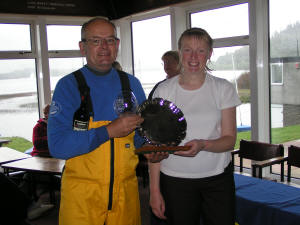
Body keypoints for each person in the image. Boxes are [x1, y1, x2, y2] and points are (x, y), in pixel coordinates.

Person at [47, 17, 146, 225]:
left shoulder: (132, 84)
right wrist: (108, 131)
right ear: (82, 47)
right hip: (82, 199)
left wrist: (151, 150)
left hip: (125, 197)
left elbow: (139, 138)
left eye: (110, 40)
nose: (104, 47)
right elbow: (57, 146)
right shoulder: (68, 86)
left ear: (117, 45)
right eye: (95, 41)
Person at [148, 27, 241, 225]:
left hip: (217, 178)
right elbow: (156, 145)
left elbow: (229, 140)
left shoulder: (222, 88)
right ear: (180, 52)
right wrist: (155, 191)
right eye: (187, 49)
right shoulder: (164, 90)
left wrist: (203, 144)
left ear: (209, 54)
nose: (193, 57)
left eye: (200, 50)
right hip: (174, 180)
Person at [147, 50, 180, 225]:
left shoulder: (187, 85)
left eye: (169, 62)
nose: (166, 66)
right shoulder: (160, 87)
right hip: (162, 150)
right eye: (164, 63)